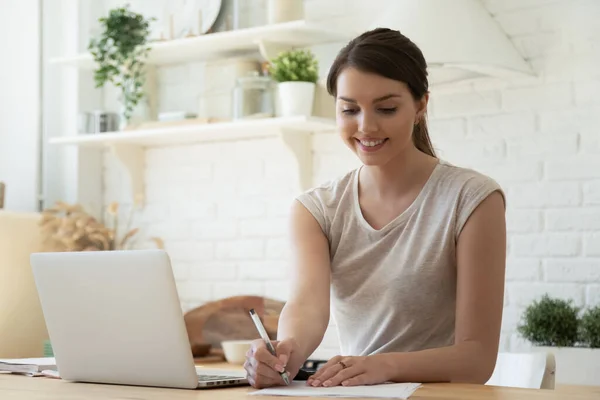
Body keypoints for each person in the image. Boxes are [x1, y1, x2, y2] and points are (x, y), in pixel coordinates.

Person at [243, 27, 507, 389]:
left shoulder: (472, 199)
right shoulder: (316, 209)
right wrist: (285, 353)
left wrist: (384, 366)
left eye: (386, 108)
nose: (366, 126)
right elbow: (308, 307)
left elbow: (476, 359)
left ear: (420, 105)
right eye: (349, 109)